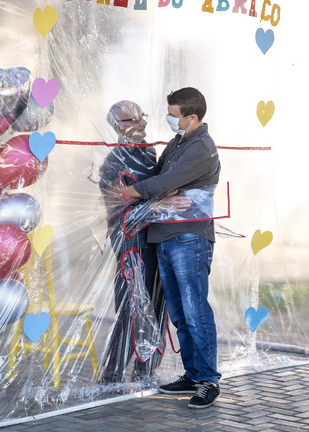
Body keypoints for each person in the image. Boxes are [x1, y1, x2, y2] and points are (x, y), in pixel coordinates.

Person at [121, 87, 222, 409]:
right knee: (179, 312)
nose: (168, 119)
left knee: (195, 310)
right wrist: (159, 192)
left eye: (173, 114)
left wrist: (131, 192)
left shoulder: (201, 146)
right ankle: (192, 374)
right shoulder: (179, 143)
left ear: (192, 117)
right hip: (165, 235)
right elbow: (166, 179)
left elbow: (168, 181)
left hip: (189, 237)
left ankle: (208, 380)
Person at [98, 100, 168, 384]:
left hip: (154, 239)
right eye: (133, 120)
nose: (143, 124)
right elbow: (117, 199)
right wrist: (153, 201)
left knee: (155, 303)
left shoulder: (149, 153)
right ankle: (113, 374)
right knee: (131, 305)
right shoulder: (114, 160)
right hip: (130, 241)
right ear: (117, 127)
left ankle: (146, 370)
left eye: (142, 117)